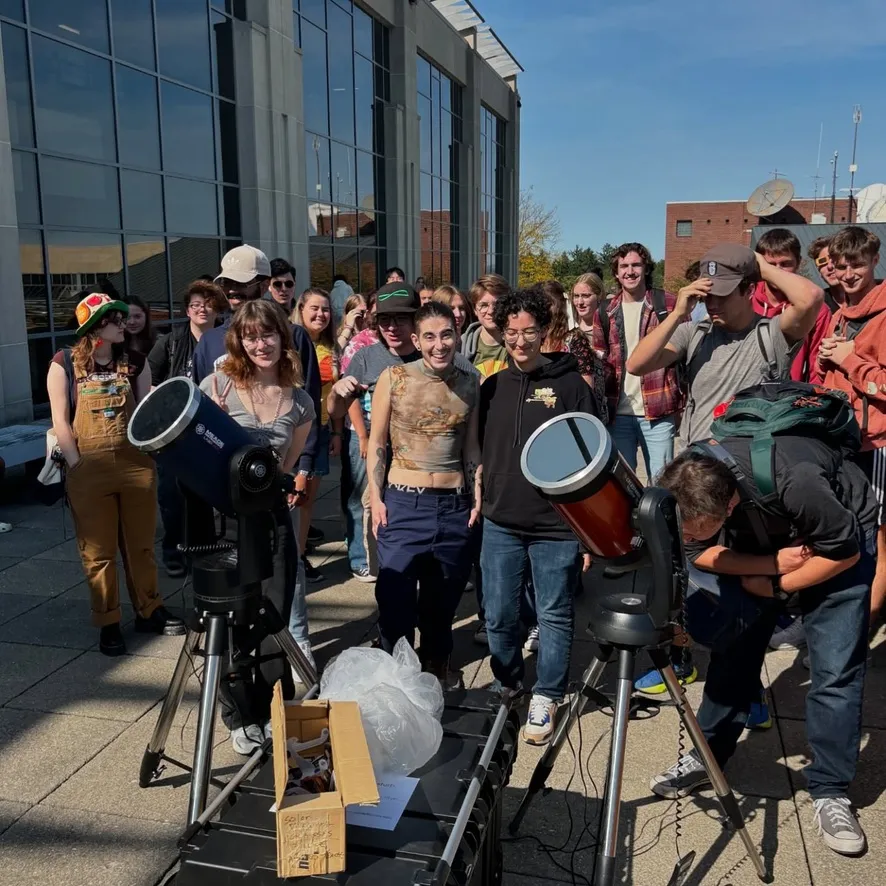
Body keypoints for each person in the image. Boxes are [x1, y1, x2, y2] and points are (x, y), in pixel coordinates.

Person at [651, 440, 876, 857]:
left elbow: (843, 552)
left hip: (840, 537)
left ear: (729, 505)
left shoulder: (799, 482)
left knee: (835, 668)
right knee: (734, 651)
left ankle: (830, 791)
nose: (685, 534)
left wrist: (778, 586)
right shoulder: (692, 475)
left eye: (694, 525)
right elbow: (699, 550)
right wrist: (770, 567)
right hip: (768, 538)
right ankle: (710, 758)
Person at [626, 244, 823, 695]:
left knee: (738, 593)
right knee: (679, 579)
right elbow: (638, 364)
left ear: (750, 290)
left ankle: (743, 689)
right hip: (692, 478)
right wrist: (678, 313)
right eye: (707, 294)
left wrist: (760, 263)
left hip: (742, 488)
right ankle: (680, 661)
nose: (712, 304)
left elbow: (810, 298)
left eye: (722, 295)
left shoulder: (770, 334)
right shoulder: (695, 333)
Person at [478, 287, 596, 745]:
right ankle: (507, 683)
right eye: (512, 333)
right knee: (501, 613)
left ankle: (548, 692)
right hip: (500, 520)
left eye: (529, 332)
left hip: (556, 524)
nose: (521, 341)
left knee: (553, 612)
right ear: (501, 333)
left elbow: (591, 460)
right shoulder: (493, 387)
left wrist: (586, 532)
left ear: (545, 331)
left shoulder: (569, 385)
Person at [200, 300, 315, 755]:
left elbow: (286, 464)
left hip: (272, 522)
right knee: (231, 623)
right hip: (225, 522)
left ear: (281, 337)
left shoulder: (300, 400)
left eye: (267, 334)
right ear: (238, 341)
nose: (260, 344)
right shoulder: (217, 387)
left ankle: (273, 710)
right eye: (250, 337)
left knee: (272, 619)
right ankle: (239, 714)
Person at [46, 292, 185, 656]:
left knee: (140, 547)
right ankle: (108, 621)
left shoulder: (136, 362)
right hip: (88, 471)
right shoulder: (62, 365)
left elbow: (146, 416)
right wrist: (76, 464)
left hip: (135, 466)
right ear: (94, 327)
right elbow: (60, 421)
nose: (125, 324)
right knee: (98, 552)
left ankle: (149, 609)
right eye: (115, 319)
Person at [367, 301, 481, 686]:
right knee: (395, 599)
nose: (439, 344)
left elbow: (471, 446)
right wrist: (376, 497)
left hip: (454, 505)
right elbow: (377, 441)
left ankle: (435, 671)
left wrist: (476, 493)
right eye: (429, 336)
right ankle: (394, 677)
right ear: (416, 339)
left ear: (457, 335)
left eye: (446, 334)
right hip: (403, 501)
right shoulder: (394, 377)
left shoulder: (470, 381)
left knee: (441, 603)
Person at [328, 284, 477, 580]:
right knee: (369, 513)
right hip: (381, 454)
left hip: (439, 474)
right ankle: (365, 561)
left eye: (400, 319)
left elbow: (469, 420)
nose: (391, 327)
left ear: (414, 325)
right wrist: (339, 397)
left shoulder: (451, 360)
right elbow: (338, 409)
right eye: (385, 320)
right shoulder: (367, 357)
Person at [192, 245, 321, 506]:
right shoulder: (209, 340)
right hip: (223, 492)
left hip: (273, 483)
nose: (231, 289)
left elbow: (307, 404)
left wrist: (303, 468)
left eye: (240, 282)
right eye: (226, 282)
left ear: (263, 286)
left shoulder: (294, 336)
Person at [819, 226, 886, 622]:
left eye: (856, 264)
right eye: (840, 266)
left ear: (875, 261)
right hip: (844, 443)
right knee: (852, 535)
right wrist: (828, 361)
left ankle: (864, 625)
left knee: (875, 537)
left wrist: (849, 360)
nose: (847, 273)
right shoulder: (841, 315)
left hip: (877, 445)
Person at [148, 280, 224, 577]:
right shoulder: (172, 342)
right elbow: (151, 380)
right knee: (172, 495)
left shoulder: (225, 340)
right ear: (187, 310)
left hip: (208, 428)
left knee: (205, 494)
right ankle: (175, 551)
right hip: (173, 433)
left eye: (208, 304)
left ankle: (205, 548)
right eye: (195, 304)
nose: (202, 309)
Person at [592, 242, 683, 481]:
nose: (629, 271)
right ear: (616, 272)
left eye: (635, 265)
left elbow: (685, 349)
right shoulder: (604, 311)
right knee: (624, 485)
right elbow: (599, 361)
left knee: (662, 484)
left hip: (658, 410)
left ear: (646, 268)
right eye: (623, 266)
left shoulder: (667, 304)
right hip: (619, 412)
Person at [292, 288, 343, 582]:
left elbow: (334, 394)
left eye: (325, 309)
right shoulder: (289, 343)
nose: (320, 315)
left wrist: (337, 431)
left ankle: (299, 557)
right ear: (300, 309)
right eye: (314, 308)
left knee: (307, 499)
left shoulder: (331, 347)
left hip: (321, 429)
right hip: (294, 430)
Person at [752, 228, 831, 384]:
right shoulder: (746, 300)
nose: (778, 271)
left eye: (785, 264)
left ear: (798, 263)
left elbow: (818, 364)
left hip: (790, 397)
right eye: (771, 265)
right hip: (746, 396)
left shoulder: (816, 308)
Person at [565, 275, 608, 423]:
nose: (580, 302)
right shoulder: (567, 332)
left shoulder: (610, 329)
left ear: (599, 297)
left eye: (586, 296)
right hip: (575, 409)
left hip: (608, 409)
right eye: (576, 296)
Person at [461, 273, 511, 379]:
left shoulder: (519, 345)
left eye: (497, 304)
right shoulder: (460, 346)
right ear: (474, 309)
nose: (491, 311)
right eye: (483, 305)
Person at [809, 236, 846, 314]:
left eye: (834, 260)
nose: (830, 266)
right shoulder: (816, 305)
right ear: (819, 270)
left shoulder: (870, 297)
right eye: (822, 261)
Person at [539, 280, 569, 352]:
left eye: (549, 303)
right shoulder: (537, 332)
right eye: (542, 303)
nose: (545, 307)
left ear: (560, 304)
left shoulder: (570, 337)